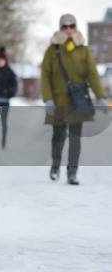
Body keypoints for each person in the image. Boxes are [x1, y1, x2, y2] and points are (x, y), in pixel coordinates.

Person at [41, 13, 107, 185]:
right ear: (60, 27)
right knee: (58, 137)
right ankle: (55, 166)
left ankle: (72, 172)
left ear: (75, 27)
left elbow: (92, 75)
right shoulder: (52, 49)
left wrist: (100, 96)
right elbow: (45, 75)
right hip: (57, 101)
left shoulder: (83, 50)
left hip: (78, 101)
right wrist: (48, 98)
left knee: (75, 138)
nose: (68, 29)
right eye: (65, 26)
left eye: (72, 26)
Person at [0, 47, 17, 149]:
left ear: (5, 61)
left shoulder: (10, 72)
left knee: (4, 122)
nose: (0, 62)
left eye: (2, 60)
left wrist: (8, 93)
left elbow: (14, 87)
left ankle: (3, 141)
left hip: (5, 102)